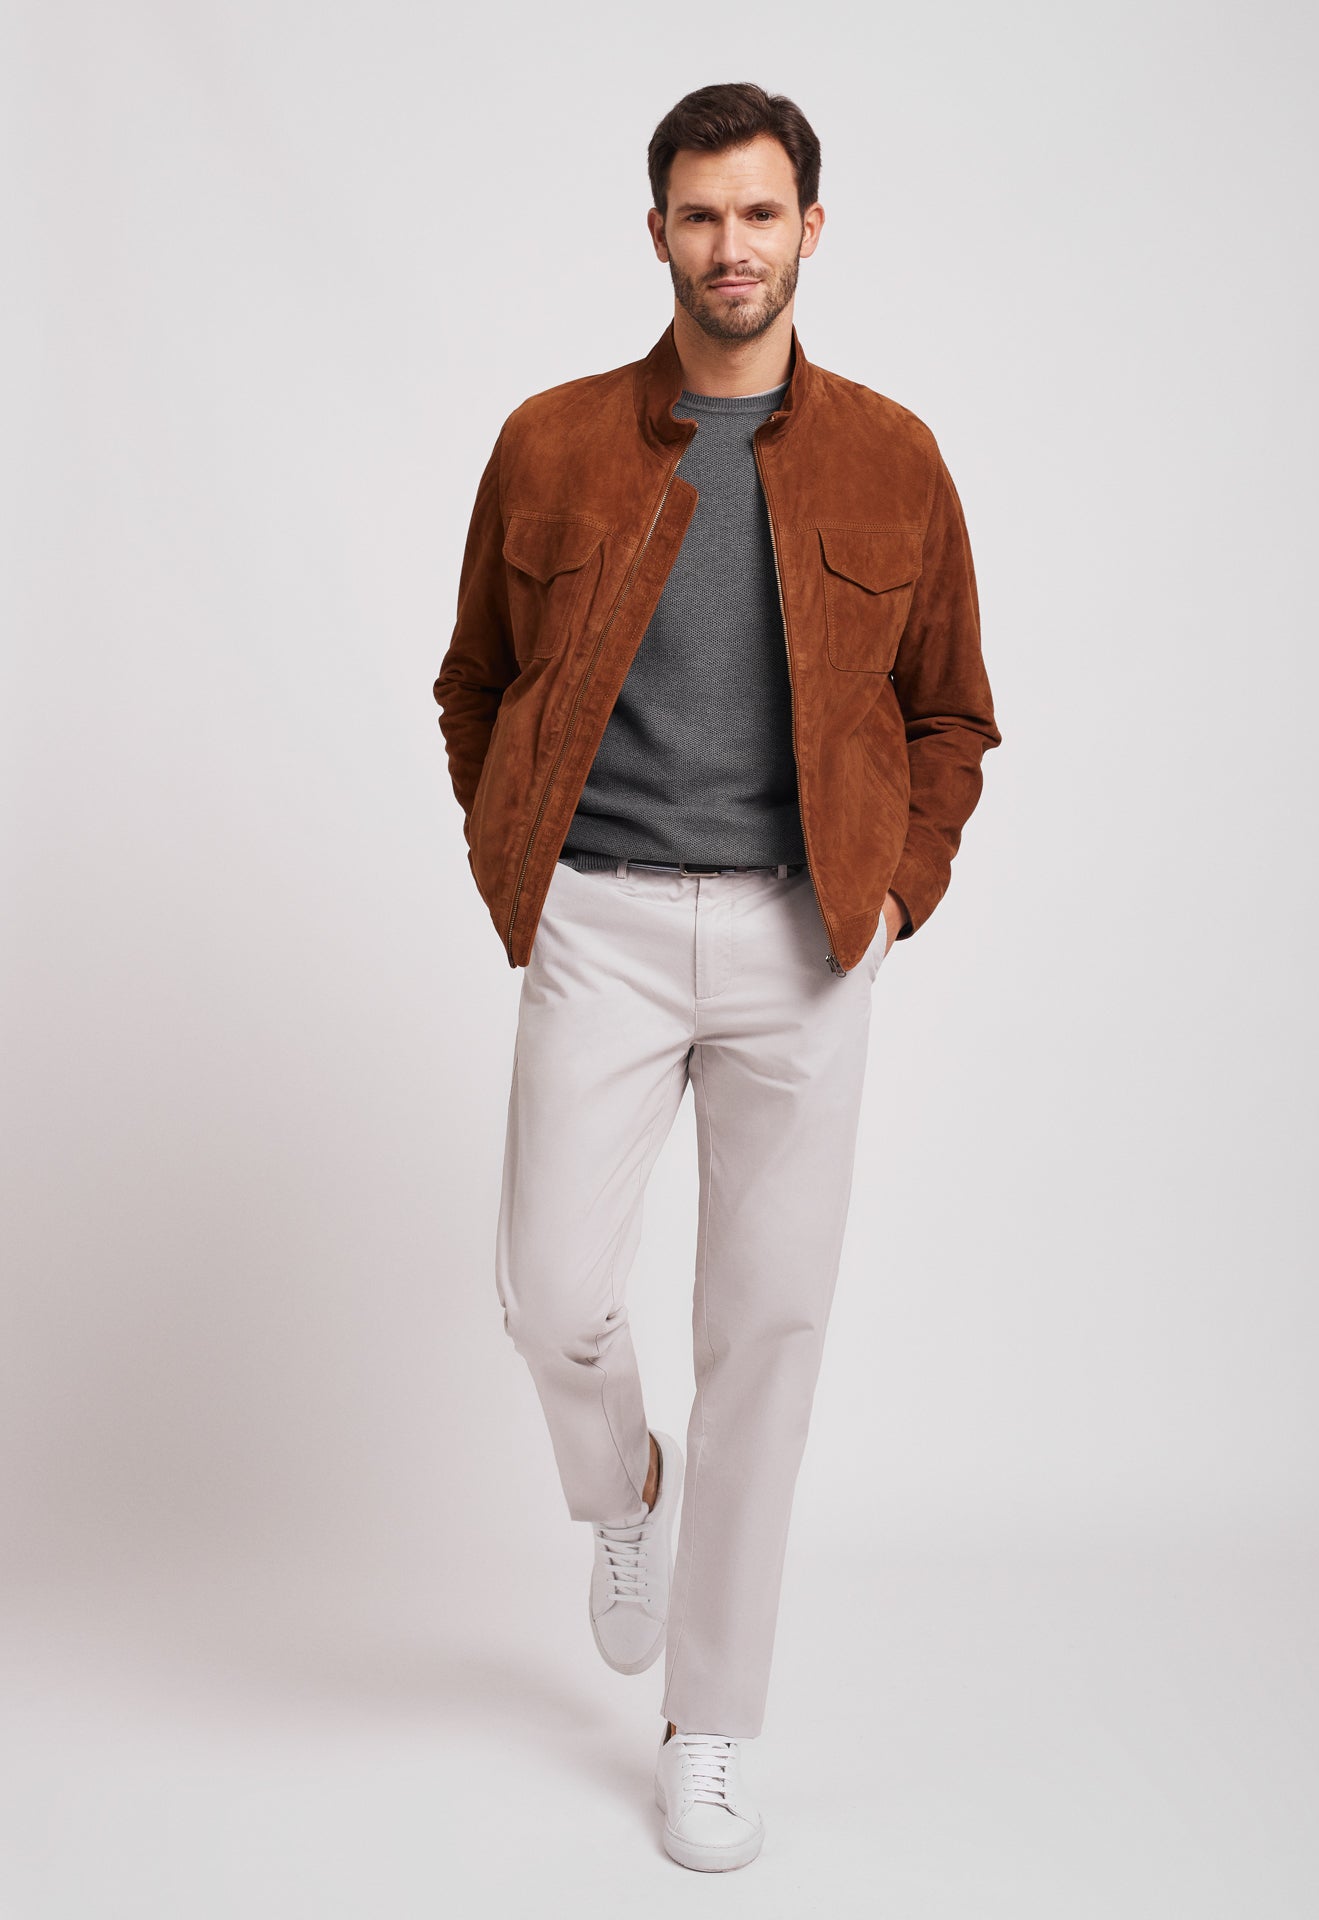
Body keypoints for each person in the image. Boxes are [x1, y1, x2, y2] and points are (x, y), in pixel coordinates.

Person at [432, 80, 1001, 1873]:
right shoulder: (550, 443)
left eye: (761, 214)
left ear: (810, 229)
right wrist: (521, 860)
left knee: (767, 1337)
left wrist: (894, 892)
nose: (730, 246)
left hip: (801, 937)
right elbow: (474, 681)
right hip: (599, 918)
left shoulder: (895, 459)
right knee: (548, 1291)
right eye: (700, 215)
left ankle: (715, 1724)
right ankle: (626, 1489)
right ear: (657, 231)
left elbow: (951, 714)